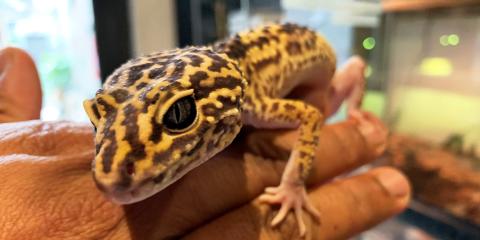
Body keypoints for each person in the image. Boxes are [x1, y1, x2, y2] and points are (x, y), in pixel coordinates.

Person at [0, 47, 410, 239]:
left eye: (177, 116)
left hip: (316, 69)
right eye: (99, 117)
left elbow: (307, 115)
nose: (111, 171)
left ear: (233, 99)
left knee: (344, 79)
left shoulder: (250, 98)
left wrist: (293, 182)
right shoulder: (212, 84)